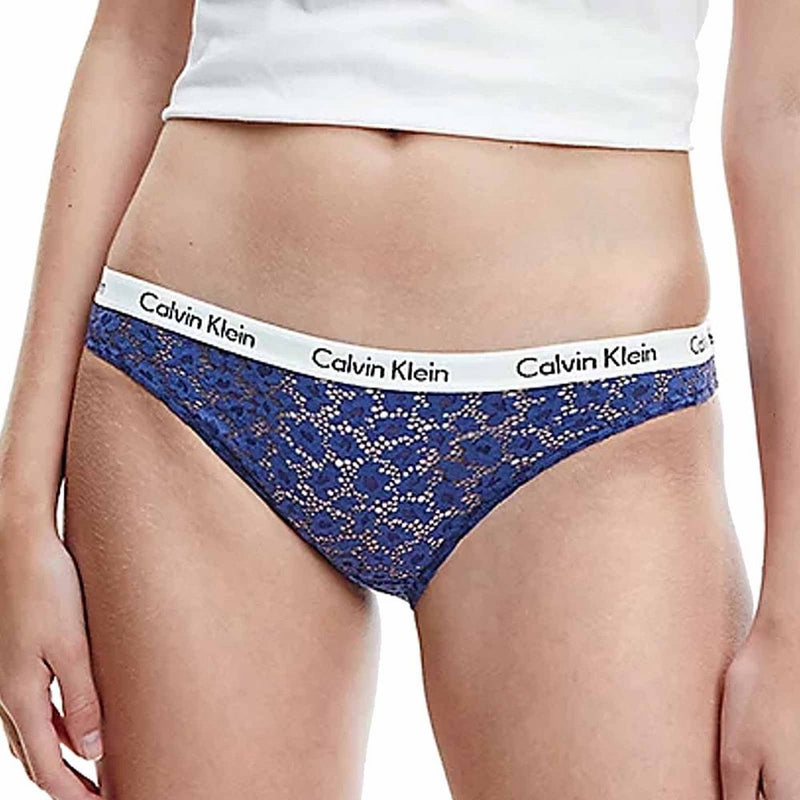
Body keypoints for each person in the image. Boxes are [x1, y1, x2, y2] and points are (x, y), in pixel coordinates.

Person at [0, 1, 796, 798]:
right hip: (197, 382)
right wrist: (18, 508)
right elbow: (137, 43)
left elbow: (782, 117)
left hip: (591, 417)